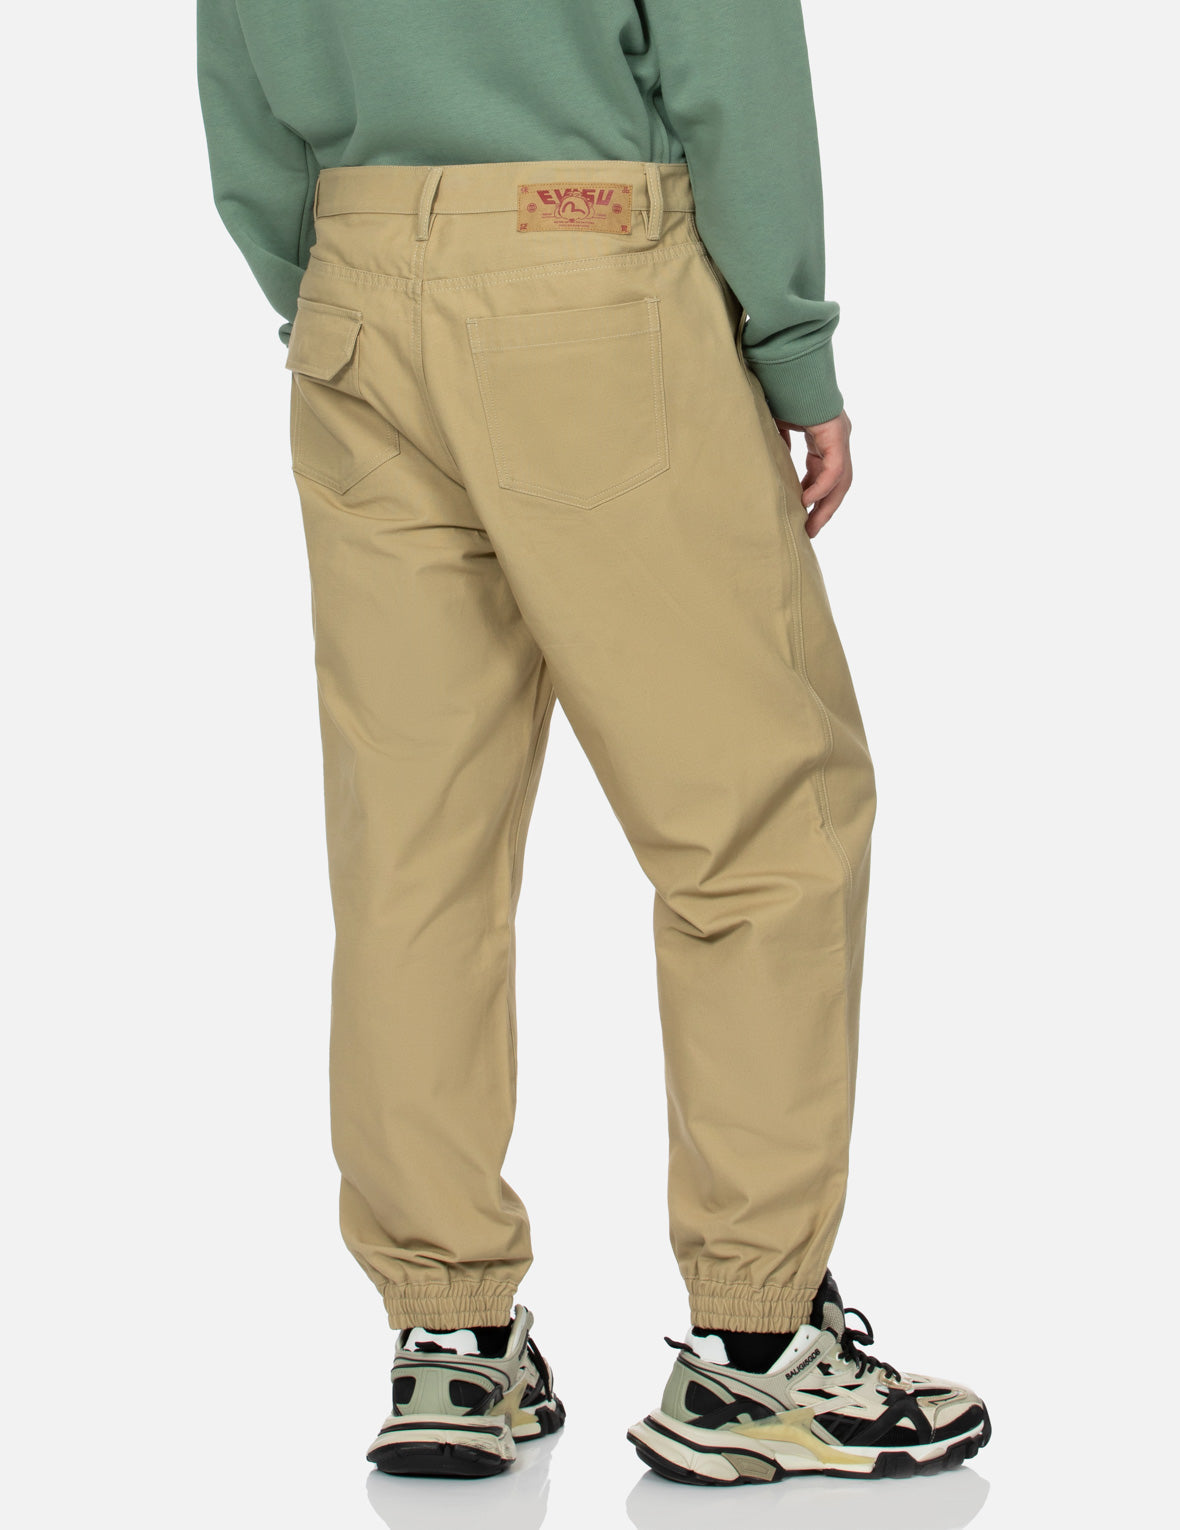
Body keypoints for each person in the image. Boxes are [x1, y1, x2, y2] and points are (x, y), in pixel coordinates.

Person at [196, 0, 990, 1487]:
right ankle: (758, 1349)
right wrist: (792, 347)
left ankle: (449, 1338)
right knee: (760, 822)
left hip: (356, 296)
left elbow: (241, 84)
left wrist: (338, 283)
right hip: (589, 270)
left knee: (413, 851)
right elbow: (729, 63)